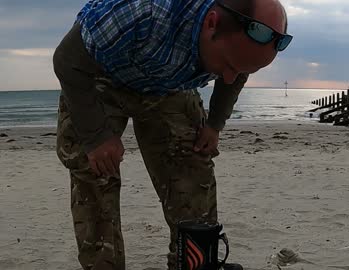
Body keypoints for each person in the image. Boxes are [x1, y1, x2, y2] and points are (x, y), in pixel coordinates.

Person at [53, 0, 292, 269]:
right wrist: (96, 137)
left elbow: (236, 71)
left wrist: (214, 124)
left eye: (243, 69)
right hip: (100, 76)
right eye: (227, 63)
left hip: (169, 84)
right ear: (211, 23)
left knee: (193, 164)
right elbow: (67, 61)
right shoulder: (141, 12)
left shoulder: (237, 48)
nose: (228, 78)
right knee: (93, 169)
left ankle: (194, 265)